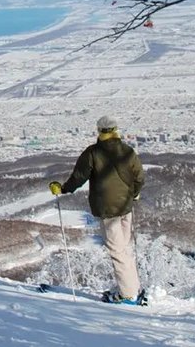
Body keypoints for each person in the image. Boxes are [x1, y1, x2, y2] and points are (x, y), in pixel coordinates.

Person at [49, 115, 145, 305]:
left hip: (108, 210)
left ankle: (128, 296)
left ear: (99, 131)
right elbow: (139, 177)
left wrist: (63, 188)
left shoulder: (93, 153)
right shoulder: (128, 152)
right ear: (116, 130)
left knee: (117, 251)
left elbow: (78, 177)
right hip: (126, 207)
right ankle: (131, 288)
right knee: (124, 248)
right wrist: (134, 194)